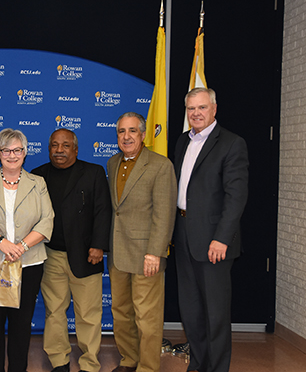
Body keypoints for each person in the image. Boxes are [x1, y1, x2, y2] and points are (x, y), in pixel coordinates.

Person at [173, 88, 248, 372]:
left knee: (215, 314)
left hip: (214, 242)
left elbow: (236, 197)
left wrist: (221, 238)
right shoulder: (182, 141)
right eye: (191, 109)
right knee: (191, 312)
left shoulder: (231, 143)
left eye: (202, 108)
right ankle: (198, 365)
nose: (196, 113)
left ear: (214, 109)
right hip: (183, 236)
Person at [0, 128, 54, 372]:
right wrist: (1, 243)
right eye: (6, 150)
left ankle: (18, 368)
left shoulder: (38, 184)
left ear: (25, 153)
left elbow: (47, 220)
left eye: (17, 150)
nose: (12, 155)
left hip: (29, 262)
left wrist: (22, 246)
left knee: (21, 322)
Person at [32, 129, 111, 372]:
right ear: (49, 149)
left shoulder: (94, 172)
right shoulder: (38, 176)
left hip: (87, 254)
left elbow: (102, 211)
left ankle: (89, 363)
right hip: (50, 256)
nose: (59, 150)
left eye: (65, 145)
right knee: (54, 311)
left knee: (88, 313)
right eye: (54, 145)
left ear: (75, 149)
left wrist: (98, 246)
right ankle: (59, 361)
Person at [106, 112, 177, 372]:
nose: (126, 137)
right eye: (121, 132)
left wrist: (155, 253)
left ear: (143, 134)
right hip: (118, 253)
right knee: (121, 313)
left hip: (146, 255)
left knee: (147, 318)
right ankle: (129, 360)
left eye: (132, 131)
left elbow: (164, 212)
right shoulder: (112, 163)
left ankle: (147, 367)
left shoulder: (160, 165)